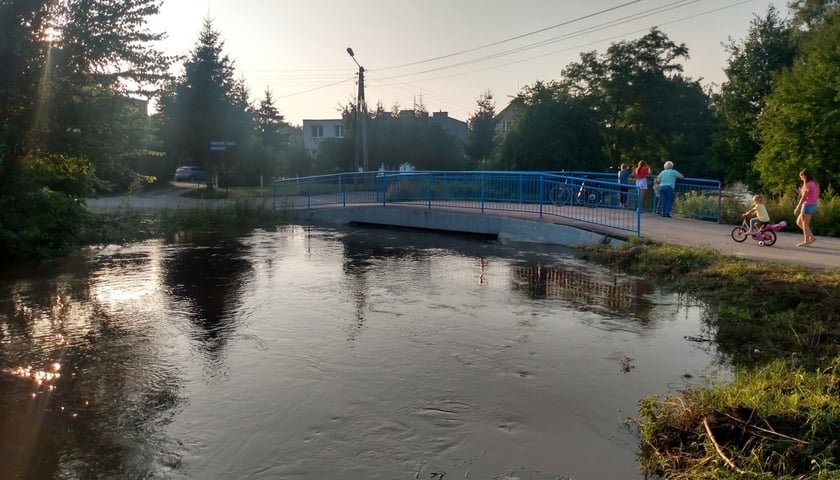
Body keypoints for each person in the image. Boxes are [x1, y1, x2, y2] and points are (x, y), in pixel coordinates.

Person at [794, 168, 820, 247]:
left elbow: (804, 197)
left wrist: (798, 207)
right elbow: (809, 194)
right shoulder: (814, 183)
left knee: (805, 225)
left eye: (801, 176)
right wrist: (799, 192)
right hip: (813, 205)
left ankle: (806, 242)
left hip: (807, 205)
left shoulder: (807, 184)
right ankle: (811, 237)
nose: (800, 178)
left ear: (804, 176)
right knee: (799, 222)